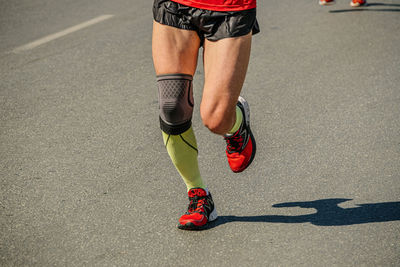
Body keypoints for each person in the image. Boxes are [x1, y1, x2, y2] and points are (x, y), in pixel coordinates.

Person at [152, 0, 258, 230]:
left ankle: (236, 124)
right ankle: (198, 195)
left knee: (216, 119)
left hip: (229, 9)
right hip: (175, 6)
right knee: (172, 107)